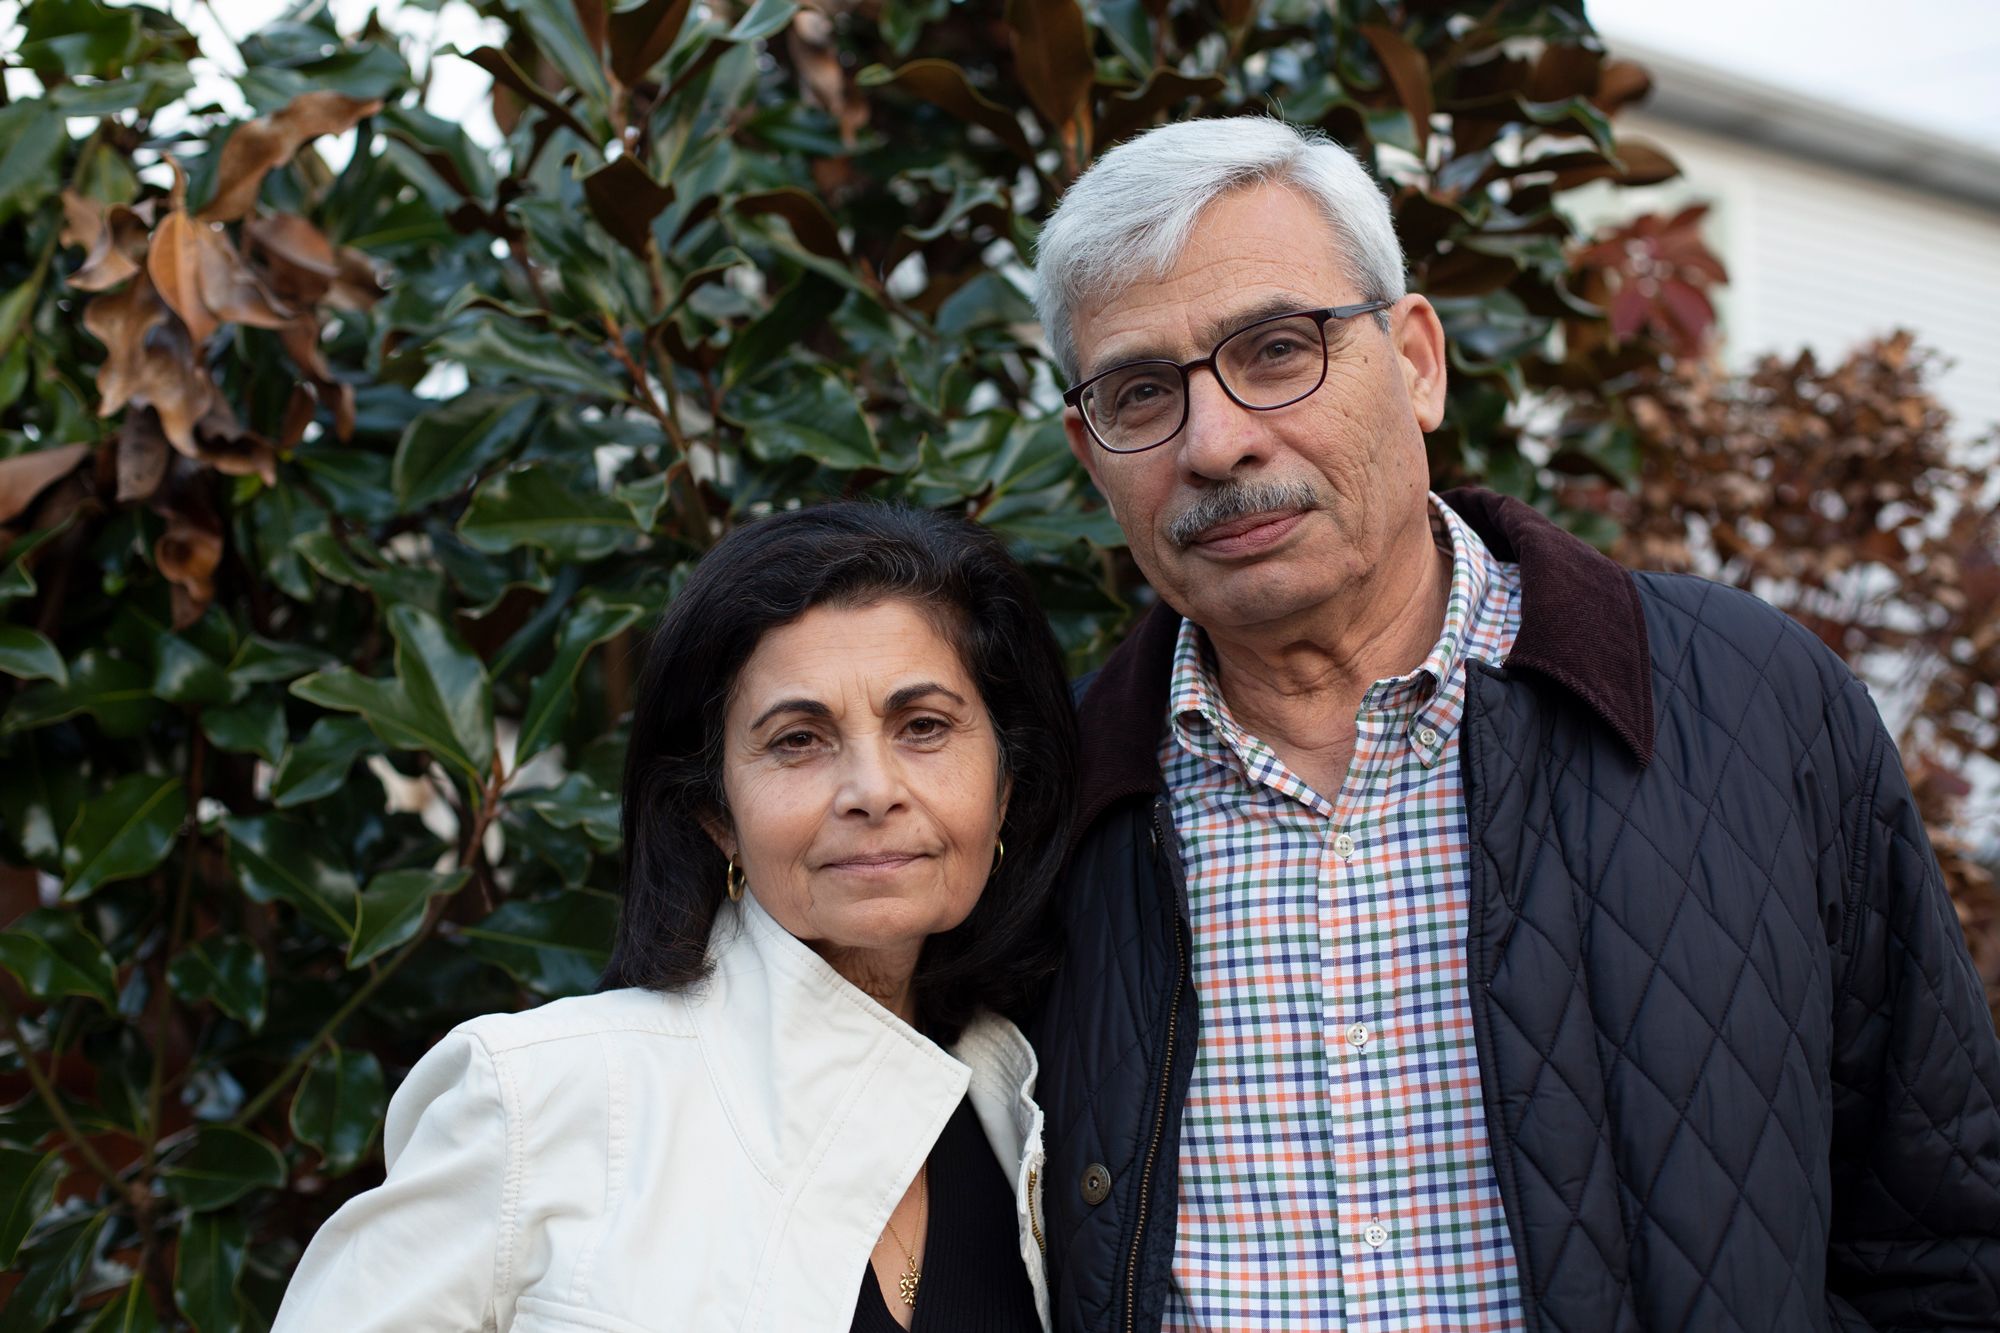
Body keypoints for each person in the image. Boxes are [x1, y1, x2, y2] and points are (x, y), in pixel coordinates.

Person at [1026, 116, 2000, 1333]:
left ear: (1418, 361)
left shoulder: (1750, 705)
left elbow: (1940, 1243)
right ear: (1088, 453)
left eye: (1276, 350)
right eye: (1138, 393)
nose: (1215, 441)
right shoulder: (1040, 810)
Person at [274, 503, 1075, 1333]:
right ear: (716, 812)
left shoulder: (1026, 1110)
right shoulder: (540, 1100)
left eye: (925, 726)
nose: (872, 789)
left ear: (1005, 783)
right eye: (799, 739)